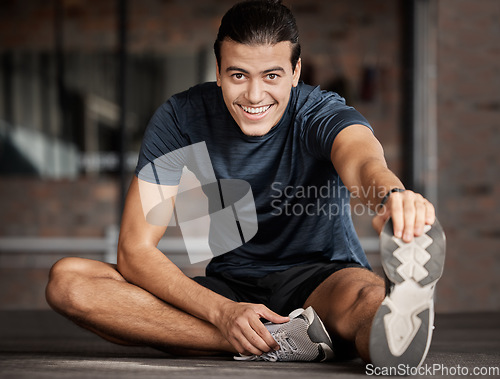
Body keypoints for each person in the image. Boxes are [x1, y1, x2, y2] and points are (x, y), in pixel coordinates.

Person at [45, 0, 445, 369]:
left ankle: (367, 332)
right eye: (238, 75)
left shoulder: (319, 111)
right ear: (218, 72)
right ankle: (286, 341)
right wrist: (221, 312)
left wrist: (392, 197)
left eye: (272, 75)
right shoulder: (181, 119)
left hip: (322, 279)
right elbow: (134, 249)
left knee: (370, 302)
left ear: (296, 72)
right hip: (228, 285)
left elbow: (361, 162)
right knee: (70, 283)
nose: (255, 95)